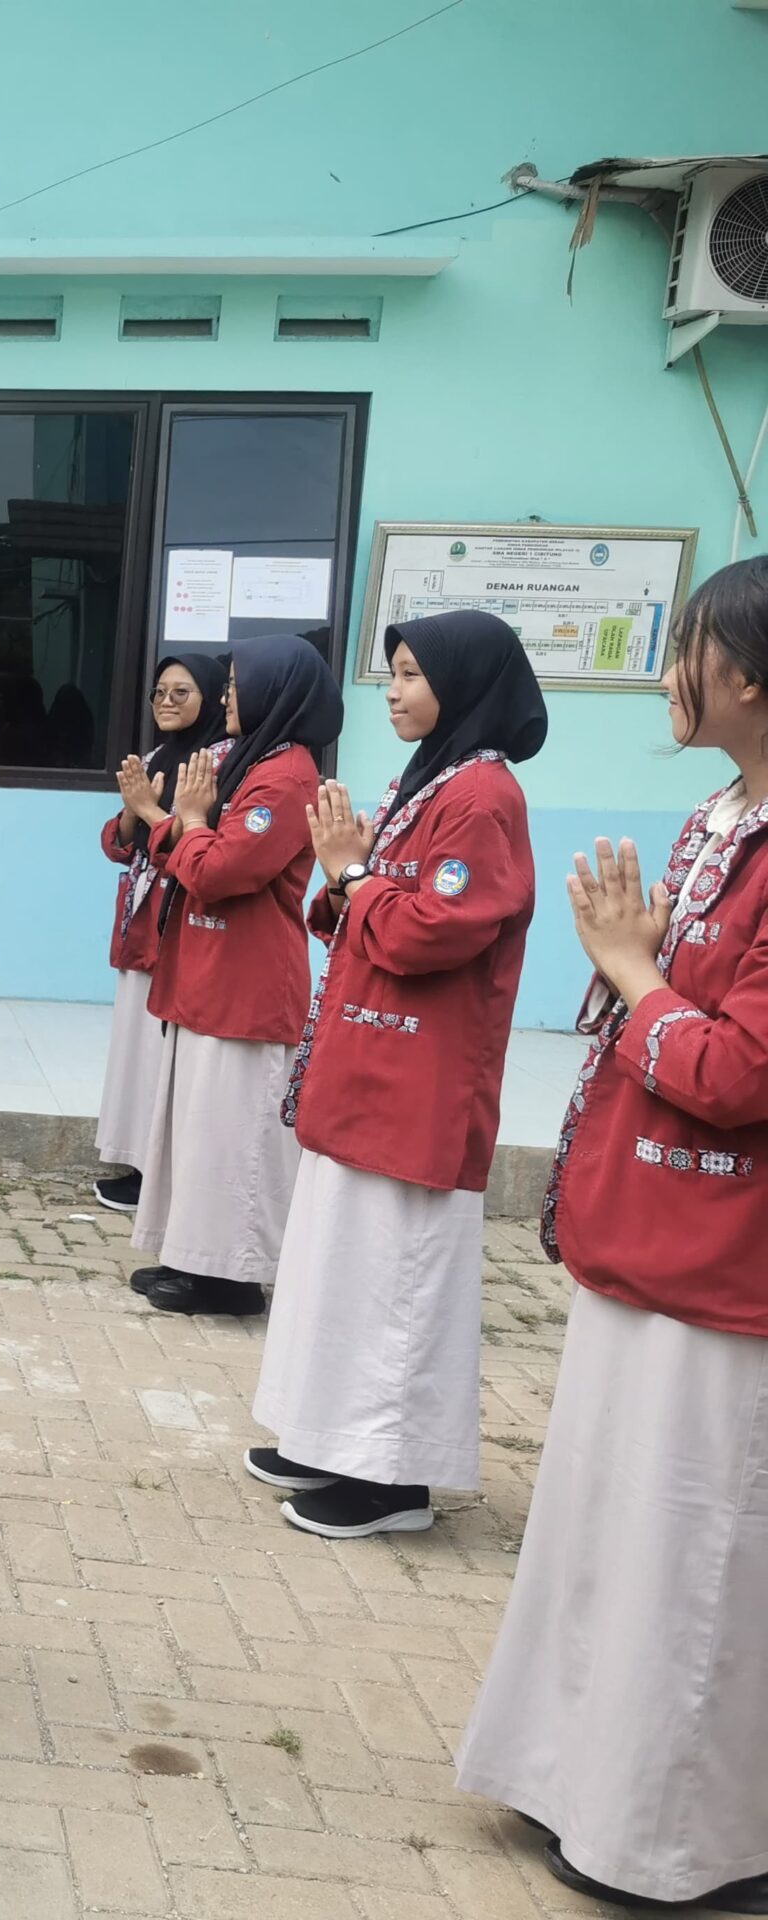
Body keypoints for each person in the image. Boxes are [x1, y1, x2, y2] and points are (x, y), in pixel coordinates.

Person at [456, 560, 768, 1915]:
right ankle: (580, 1775)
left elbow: (738, 1070)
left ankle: (676, 1838)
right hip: (654, 1229)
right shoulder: (723, 814)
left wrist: (637, 972)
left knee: (697, 1556)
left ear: (749, 674)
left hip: (729, 1263)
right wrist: (637, 969)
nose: (668, 667)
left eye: (688, 644)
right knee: (612, 1531)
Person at [249, 612, 545, 1538]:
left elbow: (433, 930)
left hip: (423, 1084)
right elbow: (344, 906)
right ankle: (330, 1434)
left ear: (466, 683)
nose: (395, 691)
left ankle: (394, 1482)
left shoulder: (484, 797)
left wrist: (354, 877)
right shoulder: (432, 782)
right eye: (394, 674)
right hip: (373, 1062)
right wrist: (347, 879)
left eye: (413, 674)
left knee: (398, 1281)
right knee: (341, 1265)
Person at [128, 632, 341, 1317]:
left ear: (276, 692)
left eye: (235, 685)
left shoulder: (286, 777)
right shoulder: (256, 761)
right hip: (210, 973)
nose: (225, 697)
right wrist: (183, 827)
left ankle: (231, 1277)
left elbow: (219, 871)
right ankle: (195, 1262)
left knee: (233, 1135)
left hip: (245, 983)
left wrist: (172, 820)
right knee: (200, 1129)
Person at [94, 655, 228, 1213]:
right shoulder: (154, 758)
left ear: (214, 697)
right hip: (141, 924)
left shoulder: (217, 761)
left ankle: (161, 1175)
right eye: (159, 693)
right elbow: (118, 846)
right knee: (135, 1047)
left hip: (180, 923)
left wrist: (151, 813)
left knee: (165, 1051)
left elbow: (205, 847)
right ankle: (138, 1163)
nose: (166, 702)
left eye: (181, 691)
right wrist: (134, 813)